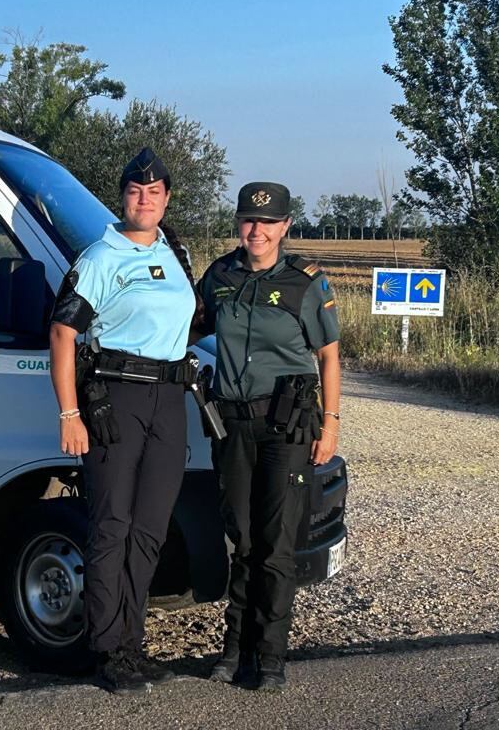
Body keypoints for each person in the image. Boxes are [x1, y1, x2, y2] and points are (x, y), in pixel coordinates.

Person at [49, 148, 199, 693]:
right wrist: (70, 412)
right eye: (136, 192)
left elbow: (190, 324)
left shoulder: (173, 250)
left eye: (155, 193)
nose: (145, 200)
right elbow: (63, 334)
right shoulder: (99, 258)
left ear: (166, 199)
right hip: (117, 399)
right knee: (112, 525)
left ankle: (132, 643)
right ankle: (108, 650)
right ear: (123, 197)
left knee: (151, 529)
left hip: (167, 399)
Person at [193, 181, 341, 691]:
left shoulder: (306, 283)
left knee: (277, 543)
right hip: (232, 423)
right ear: (239, 223)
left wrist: (333, 423)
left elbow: (328, 357)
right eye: (248, 221)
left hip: (288, 427)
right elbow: (188, 327)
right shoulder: (219, 276)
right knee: (243, 536)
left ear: (284, 227)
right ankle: (235, 648)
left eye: (268, 222)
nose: (256, 230)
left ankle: (270, 656)